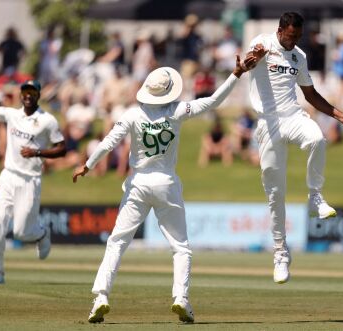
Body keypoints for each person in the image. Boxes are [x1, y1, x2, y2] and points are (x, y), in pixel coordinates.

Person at [72, 52, 259, 324]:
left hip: (137, 185)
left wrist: (87, 165)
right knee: (180, 247)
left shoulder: (133, 114)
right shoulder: (177, 111)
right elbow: (214, 101)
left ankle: (100, 297)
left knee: (117, 242)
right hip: (166, 185)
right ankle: (180, 298)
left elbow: (109, 142)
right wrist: (237, 73)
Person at [245, 12, 343, 284]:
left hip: (292, 116)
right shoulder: (262, 43)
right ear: (280, 30)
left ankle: (315, 195)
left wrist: (338, 114)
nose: (294, 41)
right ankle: (281, 253)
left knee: (317, 139)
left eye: (298, 37)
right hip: (268, 124)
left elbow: (310, 94)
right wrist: (253, 60)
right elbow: (246, 66)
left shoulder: (299, 57)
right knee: (275, 194)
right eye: (291, 36)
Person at [0, 56, 66, 285]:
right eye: (25, 91)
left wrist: (38, 154)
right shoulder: (12, 115)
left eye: (33, 92)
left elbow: (61, 149)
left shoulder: (47, 121)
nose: (28, 95)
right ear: (21, 94)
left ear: (39, 95)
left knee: (22, 232)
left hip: (30, 180)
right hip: (8, 177)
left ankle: (41, 234)